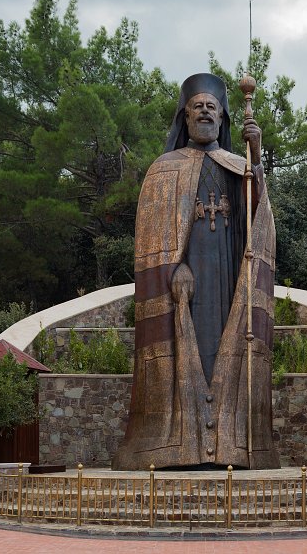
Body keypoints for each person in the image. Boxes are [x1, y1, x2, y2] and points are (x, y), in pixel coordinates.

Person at [112, 73, 279, 470]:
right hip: (184, 288)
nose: (205, 113)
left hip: (229, 283)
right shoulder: (163, 169)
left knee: (227, 349)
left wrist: (256, 157)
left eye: (212, 108)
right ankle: (176, 446)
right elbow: (153, 236)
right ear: (184, 118)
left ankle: (233, 447)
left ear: (222, 118)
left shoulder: (239, 167)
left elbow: (260, 221)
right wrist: (174, 269)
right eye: (197, 107)